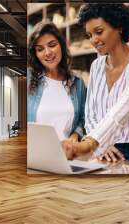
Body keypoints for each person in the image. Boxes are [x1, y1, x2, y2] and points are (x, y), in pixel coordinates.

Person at [63, 4, 129, 169]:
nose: (94, 40)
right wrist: (102, 145)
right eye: (89, 35)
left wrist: (91, 143)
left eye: (99, 32)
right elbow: (91, 113)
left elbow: (124, 109)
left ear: (119, 27)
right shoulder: (96, 66)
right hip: (103, 152)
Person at [27, 21, 86, 150]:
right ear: (35, 54)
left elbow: (83, 118)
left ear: (61, 45)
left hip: (67, 155)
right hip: (36, 154)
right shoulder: (28, 79)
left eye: (52, 45)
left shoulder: (77, 83)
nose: (47, 52)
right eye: (40, 49)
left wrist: (76, 135)